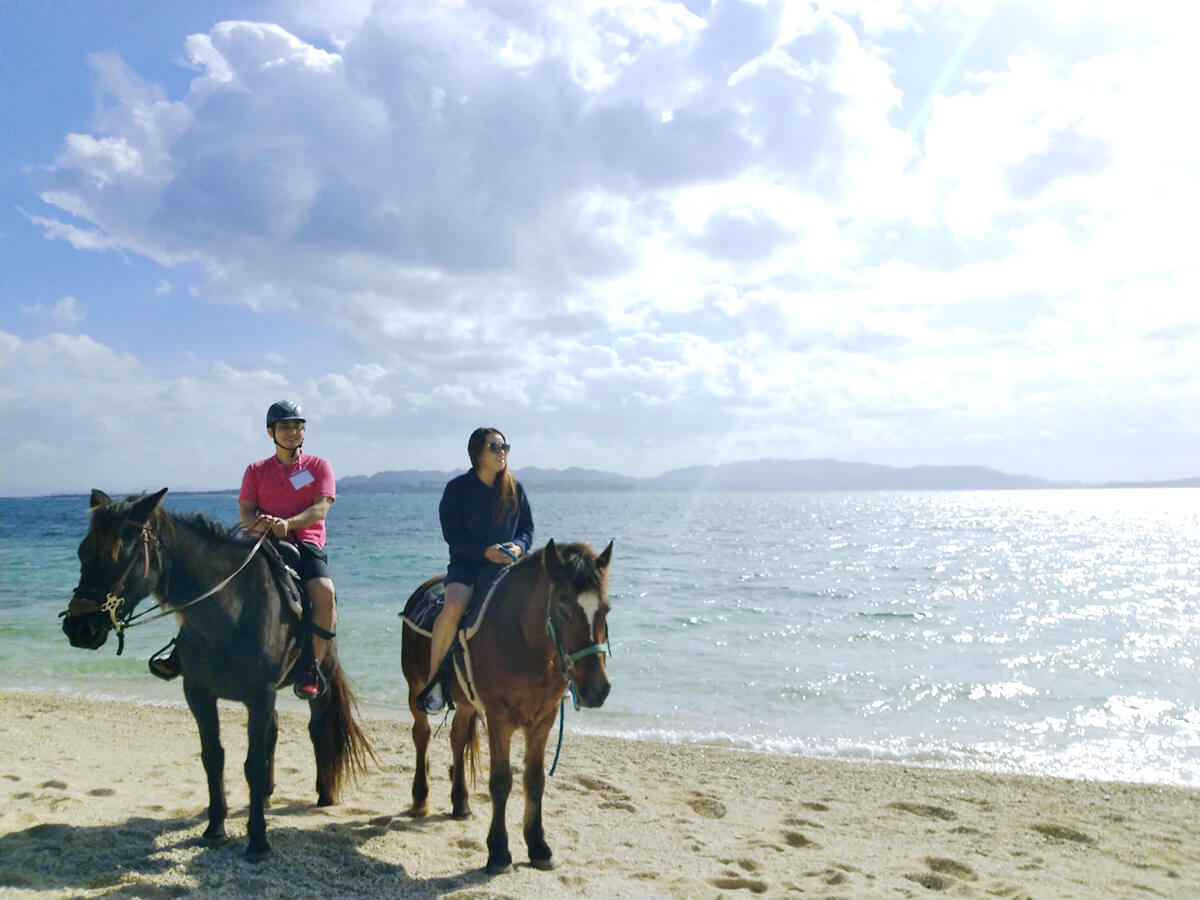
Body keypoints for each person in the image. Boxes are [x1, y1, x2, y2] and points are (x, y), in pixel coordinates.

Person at [148, 400, 337, 701]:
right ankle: (181, 650)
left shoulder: (318, 466)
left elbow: (321, 508)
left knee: (325, 593)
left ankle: (311, 666)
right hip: (261, 543)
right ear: (270, 432)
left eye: (297, 426)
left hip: (304, 543)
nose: (292, 432)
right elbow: (245, 515)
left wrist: (287, 524)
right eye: (285, 426)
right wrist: (262, 525)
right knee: (208, 582)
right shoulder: (256, 471)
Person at [421, 427, 534, 713]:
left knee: (544, 605)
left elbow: (527, 530)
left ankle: (553, 678)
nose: (502, 453)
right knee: (454, 607)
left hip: (507, 568)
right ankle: (434, 681)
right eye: (495, 447)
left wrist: (519, 548)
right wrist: (485, 551)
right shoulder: (457, 489)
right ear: (477, 454)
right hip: (467, 566)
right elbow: (453, 535)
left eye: (505, 447)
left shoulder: (514, 488)